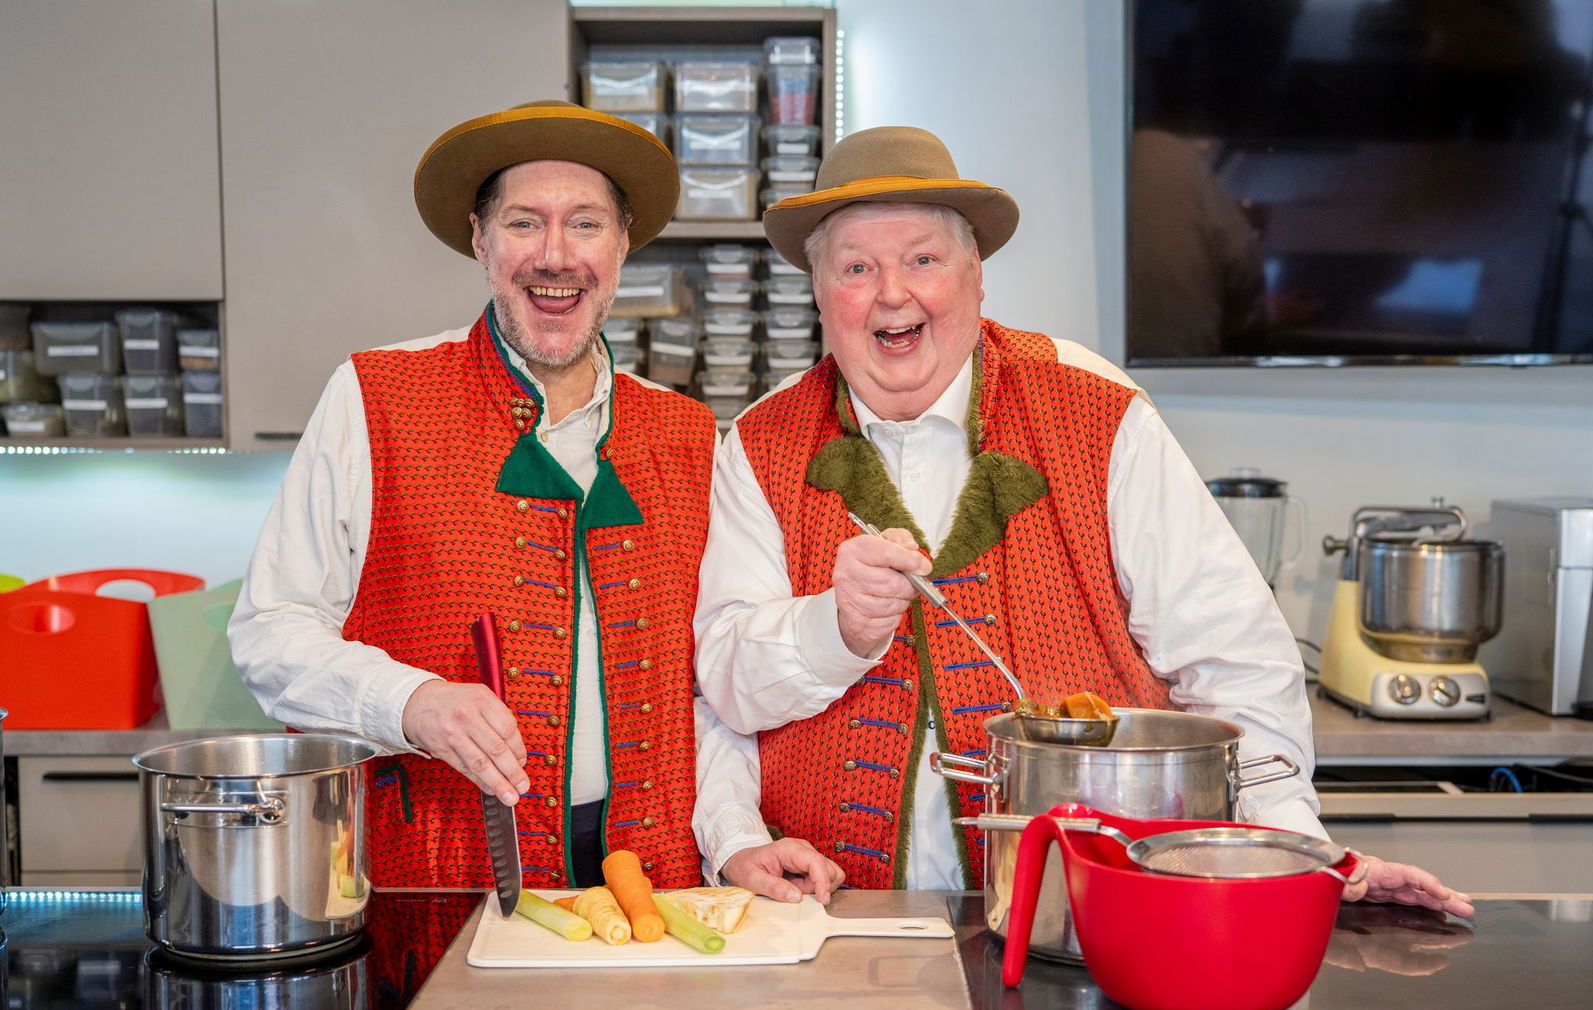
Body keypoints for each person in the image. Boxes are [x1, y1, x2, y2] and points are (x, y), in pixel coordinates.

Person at [691, 125, 1473, 917]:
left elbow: (1230, 655)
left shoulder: (1092, 405)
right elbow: (719, 685)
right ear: (820, 293)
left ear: (976, 276)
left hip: (1090, 916)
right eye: (856, 268)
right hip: (836, 920)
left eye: (923, 259)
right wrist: (837, 630)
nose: (893, 293)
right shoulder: (761, 440)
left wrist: (1290, 852)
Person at [230, 101, 717, 891]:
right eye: (525, 223)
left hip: (652, 879)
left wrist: (733, 836)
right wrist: (410, 701)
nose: (555, 256)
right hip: (440, 874)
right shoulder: (375, 396)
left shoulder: (691, 435)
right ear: (480, 240)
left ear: (623, 244)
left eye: (586, 225)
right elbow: (270, 632)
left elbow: (715, 684)